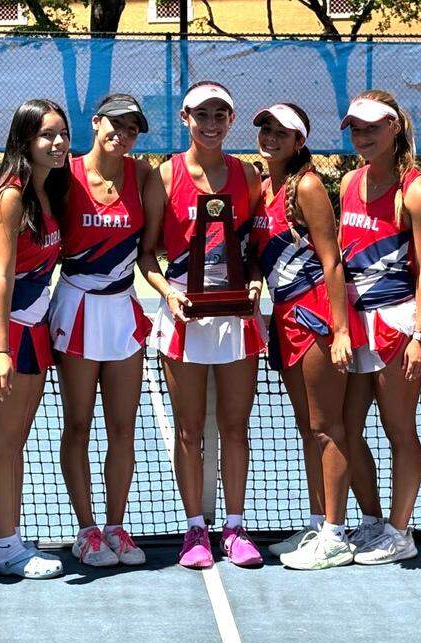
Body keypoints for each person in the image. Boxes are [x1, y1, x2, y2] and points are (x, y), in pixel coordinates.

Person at [139, 81, 266, 568]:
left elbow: (252, 253)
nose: (211, 124)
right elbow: (148, 253)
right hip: (184, 320)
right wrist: (168, 294)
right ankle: (195, 530)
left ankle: (234, 527)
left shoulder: (247, 176)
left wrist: (253, 284)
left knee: (236, 428)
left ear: (231, 120)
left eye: (221, 115)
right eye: (202, 115)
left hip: (236, 321)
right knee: (189, 431)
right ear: (186, 118)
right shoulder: (165, 177)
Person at [246, 103, 358, 569]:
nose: (271, 137)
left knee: (326, 427)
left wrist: (341, 330)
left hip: (315, 314)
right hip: (284, 316)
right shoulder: (263, 187)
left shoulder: (308, 185)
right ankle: (317, 522)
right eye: (266, 129)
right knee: (307, 427)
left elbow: (331, 261)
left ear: (299, 141)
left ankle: (335, 532)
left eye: (282, 132)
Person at [335, 90, 421, 566]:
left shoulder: (415, 190)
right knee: (348, 430)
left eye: (373, 126)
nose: (363, 135)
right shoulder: (349, 183)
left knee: (398, 430)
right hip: (356, 327)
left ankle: (401, 530)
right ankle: (375, 519)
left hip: (398, 326)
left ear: (394, 128)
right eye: (356, 127)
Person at [47, 94, 153, 567]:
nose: (124, 135)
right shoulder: (62, 175)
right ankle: (87, 529)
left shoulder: (144, 175)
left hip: (123, 310)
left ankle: (116, 525)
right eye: (118, 124)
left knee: (123, 427)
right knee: (78, 423)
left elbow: (154, 244)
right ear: (96, 122)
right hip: (76, 308)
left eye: (133, 129)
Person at [0, 99, 68, 579]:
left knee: (17, 440)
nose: (57, 143)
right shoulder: (11, 196)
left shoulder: (48, 190)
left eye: (62, 134)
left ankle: (11, 536)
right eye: (46, 135)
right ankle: (6, 546)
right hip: (9, 336)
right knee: (6, 440)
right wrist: (1, 351)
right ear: (25, 140)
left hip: (36, 329)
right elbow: (2, 279)